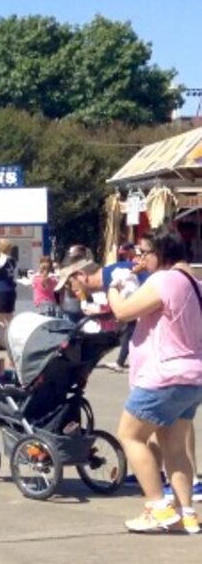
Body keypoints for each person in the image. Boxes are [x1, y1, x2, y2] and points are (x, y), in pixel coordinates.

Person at [104, 228, 202, 533]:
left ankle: (157, 507)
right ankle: (187, 513)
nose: (140, 259)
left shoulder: (164, 279)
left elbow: (121, 312)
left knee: (130, 435)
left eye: (144, 253)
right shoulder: (195, 283)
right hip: (192, 375)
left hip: (163, 375)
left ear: (160, 252)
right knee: (174, 446)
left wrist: (114, 287)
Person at [103, 243, 149, 372]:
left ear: (131, 251)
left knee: (129, 335)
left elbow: (141, 281)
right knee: (128, 334)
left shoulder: (138, 262)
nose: (123, 257)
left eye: (124, 253)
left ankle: (120, 362)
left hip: (137, 301)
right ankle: (121, 361)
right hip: (131, 301)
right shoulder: (132, 263)